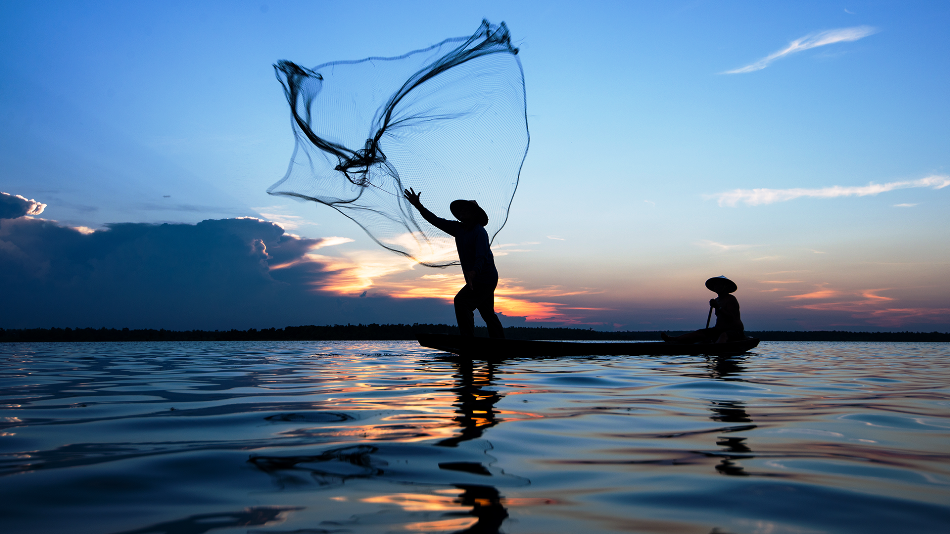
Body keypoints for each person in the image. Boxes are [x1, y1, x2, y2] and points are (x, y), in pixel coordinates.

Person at [403, 187, 505, 339]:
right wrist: (419, 206)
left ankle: (468, 340)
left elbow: (482, 256)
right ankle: (499, 344)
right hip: (476, 279)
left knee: (462, 302)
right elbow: (435, 220)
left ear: (474, 214)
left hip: (486, 278)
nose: (462, 211)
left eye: (466, 209)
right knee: (487, 312)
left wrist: (474, 271)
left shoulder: (480, 232)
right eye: (461, 209)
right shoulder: (458, 228)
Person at [662, 276, 745, 344]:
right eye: (716, 285)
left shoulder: (731, 299)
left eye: (720, 285)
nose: (717, 287)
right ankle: (673, 339)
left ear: (725, 287)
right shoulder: (717, 300)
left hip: (734, 330)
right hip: (718, 330)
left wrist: (717, 307)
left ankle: (717, 350)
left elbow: (731, 317)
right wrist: (716, 305)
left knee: (723, 336)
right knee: (699, 333)